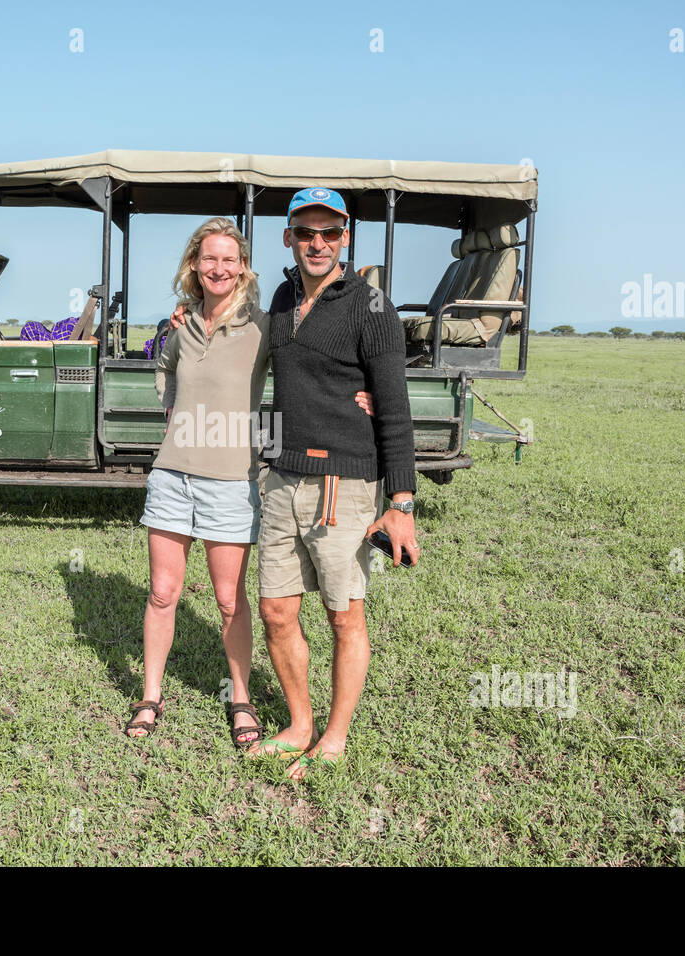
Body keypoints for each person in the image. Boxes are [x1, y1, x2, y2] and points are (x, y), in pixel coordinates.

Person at [177, 188, 421, 779]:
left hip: (344, 481)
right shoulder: (282, 297)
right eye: (306, 232)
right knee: (276, 611)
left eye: (330, 233)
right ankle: (300, 723)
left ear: (345, 239)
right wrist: (184, 314)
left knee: (344, 615)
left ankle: (334, 736)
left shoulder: (372, 306)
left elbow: (393, 406)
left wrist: (402, 501)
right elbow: (227, 321)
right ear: (287, 237)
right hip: (281, 477)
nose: (318, 243)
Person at [127, 217, 375, 749]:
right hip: (172, 476)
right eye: (209, 258)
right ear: (195, 265)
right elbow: (164, 368)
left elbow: (312, 364)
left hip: (231, 481)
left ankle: (240, 698)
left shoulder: (265, 325)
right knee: (162, 592)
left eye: (229, 259)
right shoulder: (180, 324)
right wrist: (170, 409)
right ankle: (150, 695)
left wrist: (361, 394)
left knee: (229, 600)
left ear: (242, 268)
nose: (219, 268)